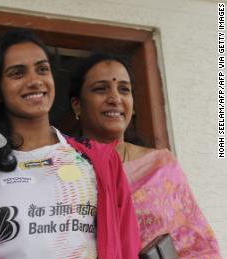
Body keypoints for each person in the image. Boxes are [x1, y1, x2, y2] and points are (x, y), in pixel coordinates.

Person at [0, 29, 141, 259]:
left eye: (42, 69)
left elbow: (128, 247)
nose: (35, 81)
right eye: (17, 73)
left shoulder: (100, 160)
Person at [69, 53, 221, 258]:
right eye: (100, 89)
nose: (115, 98)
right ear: (77, 104)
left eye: (124, 89)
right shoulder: (64, 166)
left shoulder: (160, 166)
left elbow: (197, 243)